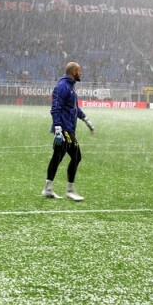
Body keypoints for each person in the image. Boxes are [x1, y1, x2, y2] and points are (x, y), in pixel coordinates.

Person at [43, 62, 93, 201]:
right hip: (64, 129)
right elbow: (55, 108)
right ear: (73, 72)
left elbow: (74, 109)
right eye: (79, 70)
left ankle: (48, 188)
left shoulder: (70, 86)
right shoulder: (63, 86)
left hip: (67, 128)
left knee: (57, 157)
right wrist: (58, 128)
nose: (81, 73)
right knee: (76, 155)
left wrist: (86, 119)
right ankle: (70, 190)